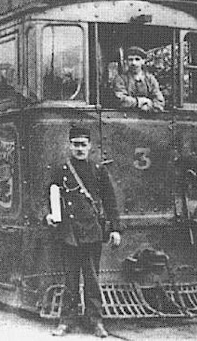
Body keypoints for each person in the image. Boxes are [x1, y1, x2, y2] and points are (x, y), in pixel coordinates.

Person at [45, 126, 121, 338]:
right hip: (69, 232)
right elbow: (49, 195)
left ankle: (95, 321)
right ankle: (66, 321)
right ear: (70, 145)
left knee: (92, 279)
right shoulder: (61, 170)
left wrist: (115, 228)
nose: (79, 148)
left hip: (91, 232)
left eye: (83, 144)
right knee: (70, 280)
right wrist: (49, 215)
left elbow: (110, 201)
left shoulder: (98, 170)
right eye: (75, 144)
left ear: (90, 146)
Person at [113, 46, 165, 111]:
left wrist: (149, 106)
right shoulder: (120, 79)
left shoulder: (150, 79)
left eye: (137, 59)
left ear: (143, 61)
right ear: (126, 61)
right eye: (130, 59)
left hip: (147, 116)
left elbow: (159, 100)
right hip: (126, 117)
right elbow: (120, 99)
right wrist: (139, 102)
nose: (134, 63)